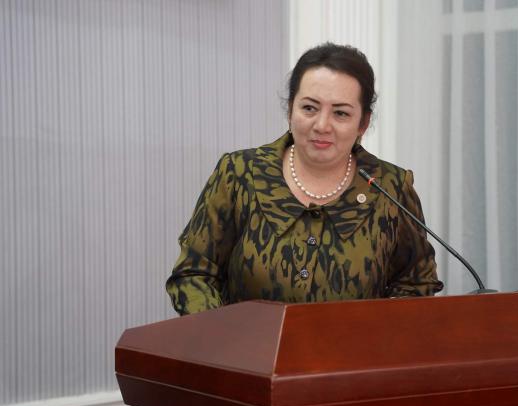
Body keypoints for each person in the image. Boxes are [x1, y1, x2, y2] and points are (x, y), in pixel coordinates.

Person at [166, 43, 443, 315]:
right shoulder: (239, 174)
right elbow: (193, 274)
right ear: (290, 110)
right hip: (244, 346)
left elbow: (416, 284)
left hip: (354, 346)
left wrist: (377, 334)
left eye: (341, 113)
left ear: (363, 123)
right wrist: (227, 336)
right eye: (309, 108)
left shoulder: (389, 188)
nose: (322, 125)